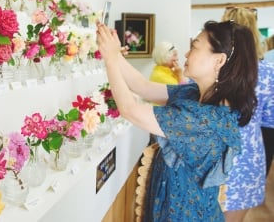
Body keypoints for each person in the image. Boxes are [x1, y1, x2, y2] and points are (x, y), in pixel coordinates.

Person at [96, 20, 258, 221]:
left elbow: (130, 110)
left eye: (194, 47)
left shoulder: (206, 120)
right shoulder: (194, 93)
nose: (186, 54)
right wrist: (112, 51)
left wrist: (111, 60)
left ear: (219, 61)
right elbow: (143, 86)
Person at [220, 7, 274, 222]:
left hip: (212, 157)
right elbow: (270, 127)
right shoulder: (268, 73)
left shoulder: (215, 69)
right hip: (249, 161)